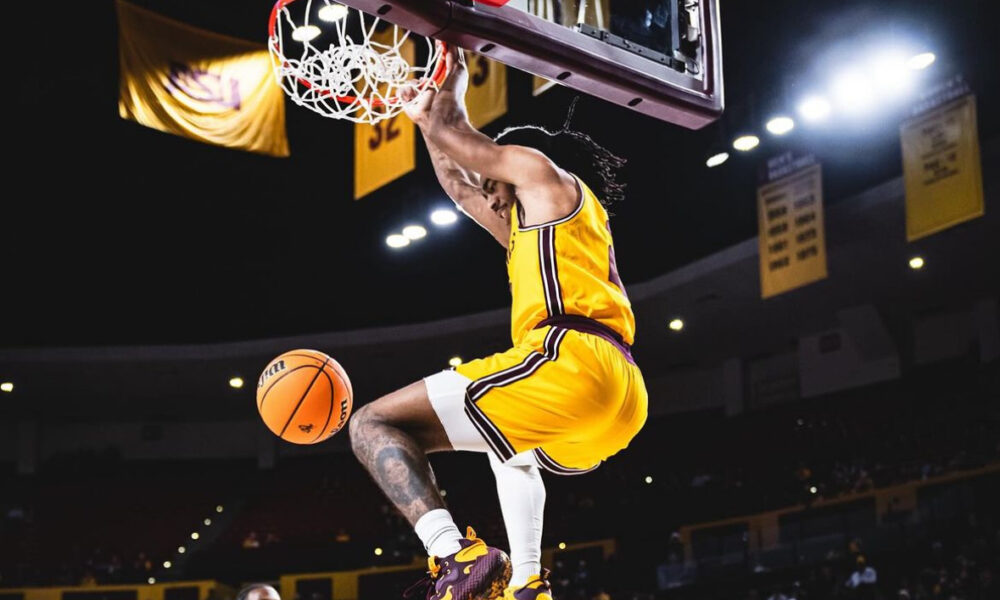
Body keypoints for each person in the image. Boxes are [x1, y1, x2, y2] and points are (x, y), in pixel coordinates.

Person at [349, 46, 648, 600]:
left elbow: (462, 140)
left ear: (515, 160)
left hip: (573, 359)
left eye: (495, 172)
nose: (487, 186)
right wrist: (423, 123)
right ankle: (529, 583)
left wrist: (451, 80)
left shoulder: (546, 178)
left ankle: (454, 556)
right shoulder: (534, 231)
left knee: (372, 425)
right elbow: (461, 186)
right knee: (508, 446)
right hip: (619, 394)